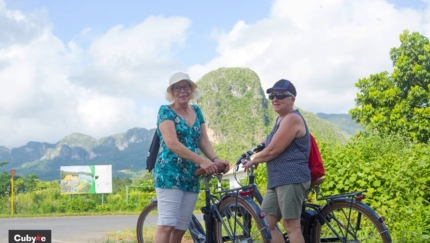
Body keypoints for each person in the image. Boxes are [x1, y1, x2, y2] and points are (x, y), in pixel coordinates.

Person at [153, 71, 230, 243]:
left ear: (191, 90)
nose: (182, 91)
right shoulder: (165, 111)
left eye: (186, 87)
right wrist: (202, 160)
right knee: (167, 225)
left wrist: (215, 159)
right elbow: (172, 143)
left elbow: (203, 140)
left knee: (180, 227)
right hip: (169, 174)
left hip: (192, 175)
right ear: (172, 92)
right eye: (178, 88)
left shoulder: (196, 111)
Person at [243, 79, 311, 243]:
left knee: (291, 225)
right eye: (272, 95)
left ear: (292, 99)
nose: (275, 99)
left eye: (280, 95)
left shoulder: (292, 119)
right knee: (266, 224)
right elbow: (270, 144)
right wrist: (259, 149)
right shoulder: (280, 120)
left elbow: (273, 150)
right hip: (277, 180)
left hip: (292, 178)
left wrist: (253, 160)